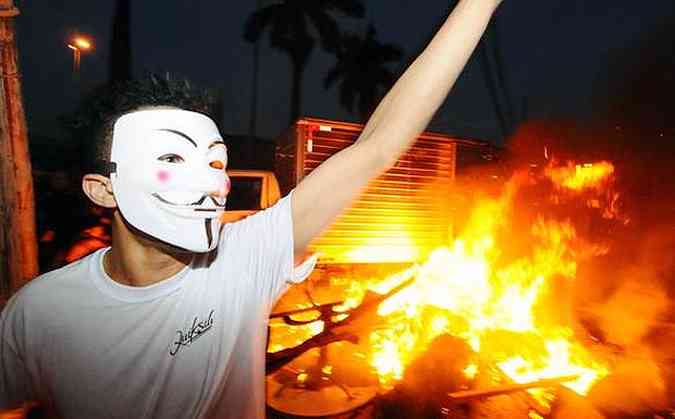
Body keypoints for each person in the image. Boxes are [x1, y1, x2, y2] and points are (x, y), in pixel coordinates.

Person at [1, 1, 505, 418]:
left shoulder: (244, 260)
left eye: (216, 160)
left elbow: (377, 146)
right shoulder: (39, 314)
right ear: (101, 190)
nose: (213, 182)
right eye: (172, 157)